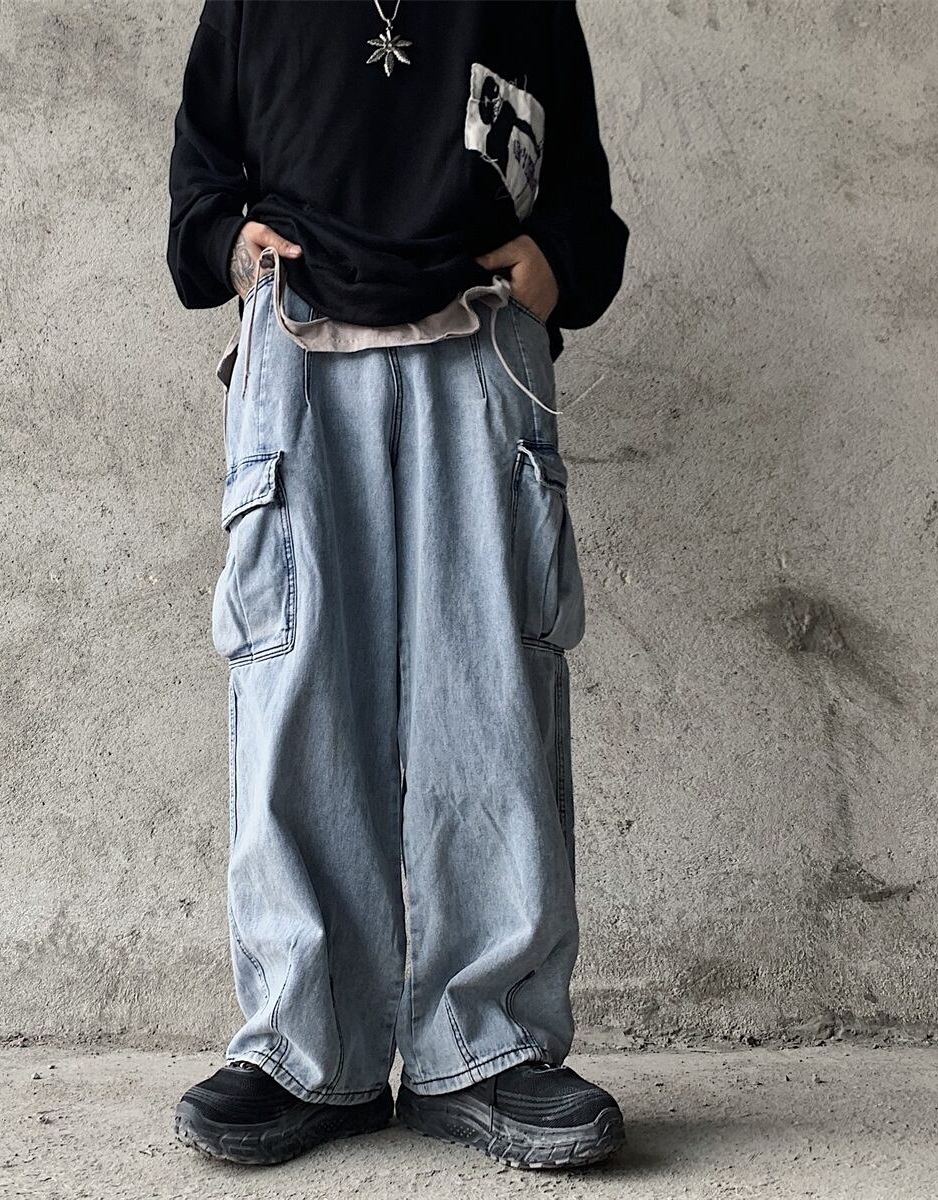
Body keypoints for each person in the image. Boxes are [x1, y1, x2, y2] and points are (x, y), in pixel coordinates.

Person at [165, 0, 629, 1170]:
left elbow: (577, 187)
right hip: (299, 350)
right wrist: (226, 244)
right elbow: (200, 176)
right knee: (298, 698)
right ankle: (303, 1048)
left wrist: (560, 263)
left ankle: (492, 1046)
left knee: (492, 701)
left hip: (480, 347)